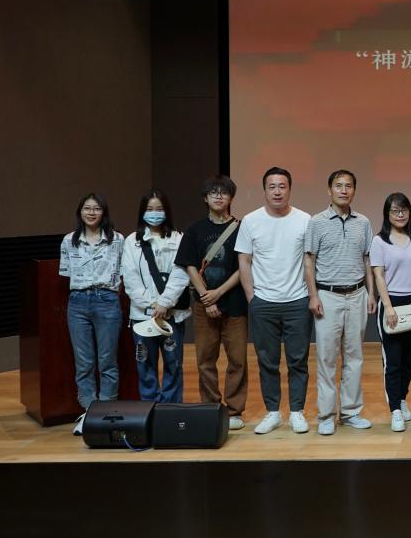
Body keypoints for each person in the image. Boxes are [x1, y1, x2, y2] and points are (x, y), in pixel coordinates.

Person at [159, 175, 248, 430]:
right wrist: (206, 297)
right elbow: (189, 265)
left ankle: (234, 411)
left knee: (237, 360)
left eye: (224, 192)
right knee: (205, 360)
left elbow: (244, 266)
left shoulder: (242, 228)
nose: (219, 197)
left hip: (235, 303)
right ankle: (210, 407)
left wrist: (218, 292)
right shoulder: (195, 229)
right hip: (202, 305)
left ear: (231, 197)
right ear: (205, 198)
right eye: (213, 193)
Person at [235, 167, 312, 435]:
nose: (277, 191)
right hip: (263, 302)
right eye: (272, 187)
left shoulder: (304, 220)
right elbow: (244, 260)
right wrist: (252, 298)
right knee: (267, 361)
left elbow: (309, 261)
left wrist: (310, 295)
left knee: (298, 361)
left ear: (289, 189)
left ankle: (297, 412)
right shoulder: (250, 220)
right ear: (264, 190)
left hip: (297, 301)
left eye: (282, 186)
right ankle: (273, 412)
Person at [304, 169, 376, 436]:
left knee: (354, 357)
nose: (343, 190)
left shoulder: (363, 222)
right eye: (338, 185)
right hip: (328, 296)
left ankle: (350, 412)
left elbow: (368, 259)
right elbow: (309, 260)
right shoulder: (317, 222)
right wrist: (313, 295)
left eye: (348, 186)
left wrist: (371, 293)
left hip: (357, 295)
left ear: (354, 190)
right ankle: (326, 415)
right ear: (329, 190)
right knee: (327, 358)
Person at [59, 193, 124, 435]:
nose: (91, 212)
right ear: (80, 212)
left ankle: (105, 411)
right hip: (78, 302)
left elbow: (124, 272)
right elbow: (65, 273)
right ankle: (89, 411)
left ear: (103, 212)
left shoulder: (117, 240)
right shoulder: (69, 240)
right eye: (87, 208)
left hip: (107, 300)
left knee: (107, 360)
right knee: (84, 362)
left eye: (96, 208)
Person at [370, 193, 411, 433]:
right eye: (395, 210)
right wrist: (387, 307)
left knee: (409, 359)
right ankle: (395, 409)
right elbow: (378, 275)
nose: (400, 214)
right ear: (387, 214)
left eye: (404, 210)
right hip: (392, 303)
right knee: (393, 360)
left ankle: (402, 398)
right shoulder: (379, 241)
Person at [122, 188, 191, 404]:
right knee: (145, 365)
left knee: (173, 364)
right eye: (149, 209)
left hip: (171, 315)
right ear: (142, 212)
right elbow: (130, 277)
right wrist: (151, 305)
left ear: (167, 211)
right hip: (142, 316)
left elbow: (181, 274)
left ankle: (170, 410)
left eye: (159, 209)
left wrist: (164, 303)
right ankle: (149, 409)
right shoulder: (132, 241)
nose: (154, 213)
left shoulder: (179, 239)